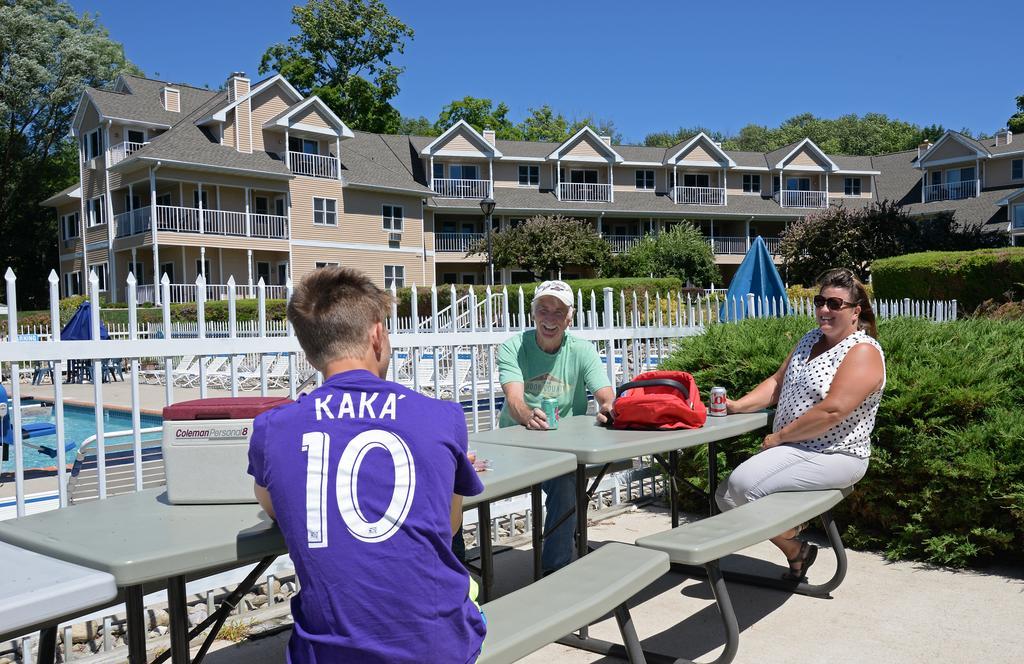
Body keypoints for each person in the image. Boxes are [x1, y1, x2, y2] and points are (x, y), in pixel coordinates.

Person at [247, 267, 486, 663]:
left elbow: (275, 506)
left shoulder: (272, 429)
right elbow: (450, 525)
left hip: (326, 653)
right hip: (438, 649)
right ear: (377, 335)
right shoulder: (441, 417)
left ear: (309, 352)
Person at [718, 268, 886, 580]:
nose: (824, 309)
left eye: (835, 304)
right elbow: (778, 383)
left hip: (835, 453)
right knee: (727, 495)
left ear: (855, 312)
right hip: (798, 449)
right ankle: (796, 550)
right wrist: (737, 406)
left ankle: (792, 527)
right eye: (820, 301)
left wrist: (779, 436)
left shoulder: (862, 351)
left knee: (740, 488)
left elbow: (832, 411)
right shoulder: (810, 339)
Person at [496, 280, 615, 574]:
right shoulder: (513, 347)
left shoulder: (582, 350)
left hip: (563, 449)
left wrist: (608, 408)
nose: (550, 319)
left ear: (570, 317)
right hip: (513, 445)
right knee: (461, 484)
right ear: (533, 313)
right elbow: (514, 398)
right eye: (543, 310)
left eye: (558, 312)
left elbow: (604, 393)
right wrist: (526, 415)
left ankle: (555, 572)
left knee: (565, 483)